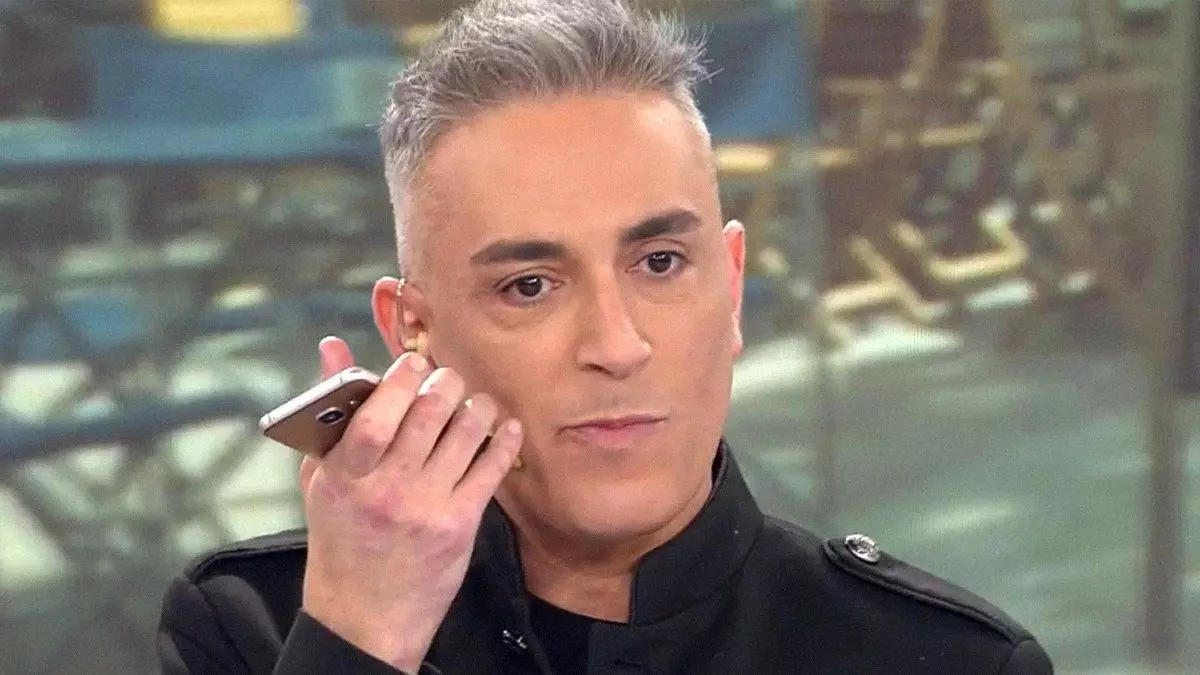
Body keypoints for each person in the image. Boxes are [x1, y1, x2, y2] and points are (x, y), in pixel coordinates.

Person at [157, 1, 1054, 673]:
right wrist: (360, 642)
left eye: (660, 262)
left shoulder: (947, 662)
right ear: (414, 333)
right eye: (530, 285)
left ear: (732, 287)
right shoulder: (252, 629)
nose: (617, 347)